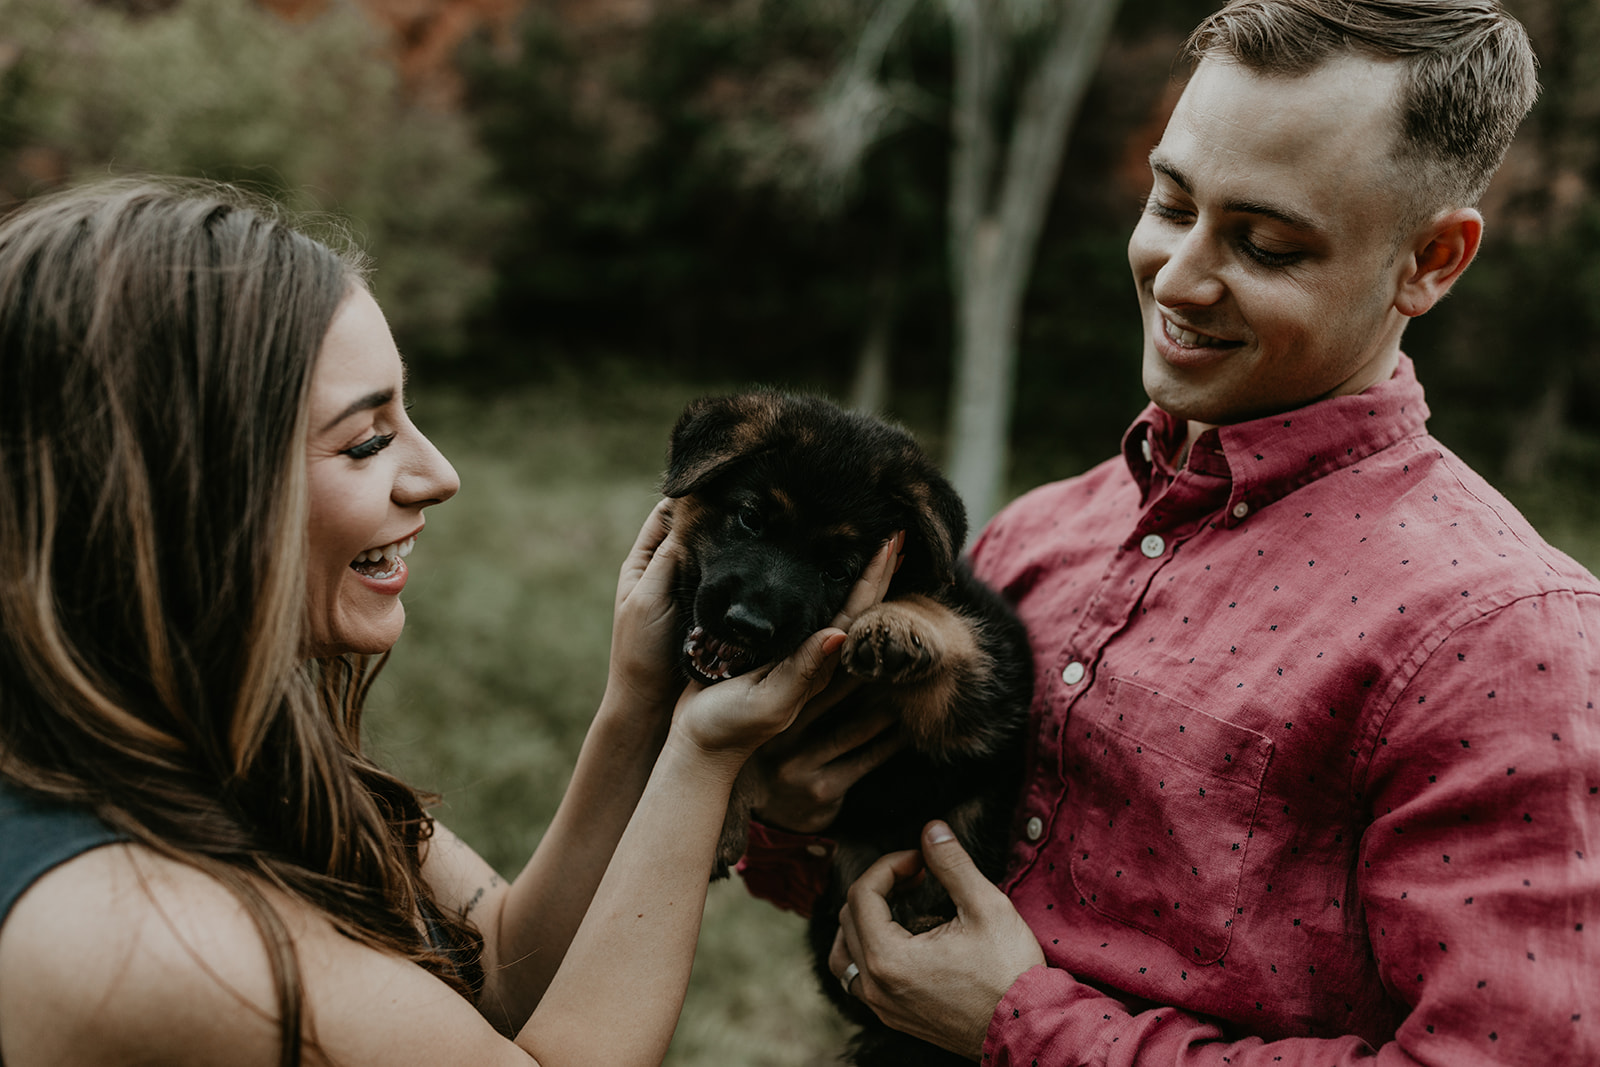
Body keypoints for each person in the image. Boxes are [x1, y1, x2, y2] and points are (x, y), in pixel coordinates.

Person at [737, 1, 1600, 1063]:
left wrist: (1028, 1028)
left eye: (1266, 244)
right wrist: (790, 814)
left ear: (1430, 261)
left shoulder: (1504, 640)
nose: (1179, 278)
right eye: (1168, 201)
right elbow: (841, 893)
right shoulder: (1038, 533)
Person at [0, 179, 900, 1067]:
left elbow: (504, 972)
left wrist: (641, 703)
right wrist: (706, 757)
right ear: (170, 499)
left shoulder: (224, 743)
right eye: (366, 440)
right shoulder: (130, 934)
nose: (439, 472)